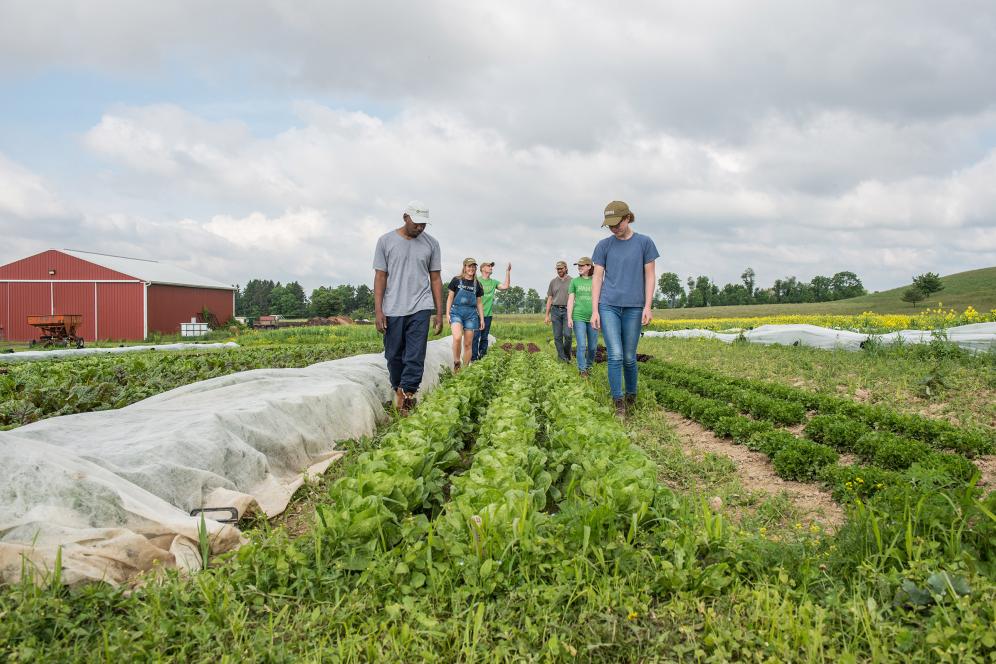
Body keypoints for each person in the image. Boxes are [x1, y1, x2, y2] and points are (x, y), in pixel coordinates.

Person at [373, 200, 444, 416]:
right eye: (416, 223)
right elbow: (380, 277)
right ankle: (399, 390)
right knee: (393, 355)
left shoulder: (432, 244)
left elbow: (435, 278)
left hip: (421, 306)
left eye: (424, 224)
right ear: (406, 217)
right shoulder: (385, 241)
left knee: (415, 355)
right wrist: (378, 310)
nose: (420, 227)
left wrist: (439, 312)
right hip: (393, 307)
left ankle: (409, 396)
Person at [590, 200, 659, 418]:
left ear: (627, 218)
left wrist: (648, 306)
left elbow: (649, 276)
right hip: (608, 305)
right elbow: (597, 278)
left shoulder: (644, 243)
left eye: (616, 224)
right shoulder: (603, 246)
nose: (613, 228)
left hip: (634, 307)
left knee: (629, 357)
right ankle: (618, 401)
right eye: (609, 225)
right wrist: (595, 310)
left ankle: (631, 396)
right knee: (615, 355)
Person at [446, 258, 485, 372]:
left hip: (471, 314)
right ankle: (457, 361)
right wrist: (447, 313)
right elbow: (450, 297)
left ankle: (464, 370)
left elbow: (479, 302)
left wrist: (481, 319)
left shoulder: (477, 284)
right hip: (456, 312)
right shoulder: (456, 280)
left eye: (473, 266)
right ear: (464, 267)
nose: (471, 268)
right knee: (457, 337)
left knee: (468, 344)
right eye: (469, 266)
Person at [472, 261, 511, 361]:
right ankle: (473, 359)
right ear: (483, 269)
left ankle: (482, 358)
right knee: (475, 337)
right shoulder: (476, 281)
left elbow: (505, 286)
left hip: (488, 315)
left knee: (484, 338)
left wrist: (507, 272)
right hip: (475, 314)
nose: (491, 268)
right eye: (489, 266)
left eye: (491, 266)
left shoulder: (493, 282)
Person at [567, 256, 597, 377]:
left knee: (593, 347)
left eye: (582, 265)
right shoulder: (574, 281)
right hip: (578, 316)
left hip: (593, 317)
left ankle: (589, 367)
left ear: (589, 266)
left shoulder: (596, 280)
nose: (579, 267)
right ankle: (582, 370)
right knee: (582, 345)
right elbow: (570, 300)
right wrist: (569, 317)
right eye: (578, 265)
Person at [544, 260, 573, 362]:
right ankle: (562, 358)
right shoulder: (553, 282)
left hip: (567, 311)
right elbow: (550, 298)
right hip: (555, 310)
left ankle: (566, 354)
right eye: (557, 269)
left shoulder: (572, 281)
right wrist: (547, 315)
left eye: (561, 268)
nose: (559, 270)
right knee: (557, 336)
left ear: (566, 268)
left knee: (568, 335)